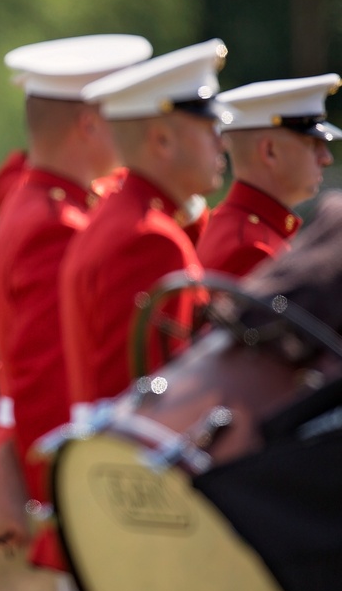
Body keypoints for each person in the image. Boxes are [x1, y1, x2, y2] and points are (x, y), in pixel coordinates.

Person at [0, 35, 152, 577]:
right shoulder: (57, 225)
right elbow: (50, 384)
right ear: (90, 126)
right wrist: (64, 506)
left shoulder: (49, 206)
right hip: (71, 502)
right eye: (127, 115)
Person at [60, 39, 231, 423]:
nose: (222, 142)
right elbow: (155, 399)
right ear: (162, 141)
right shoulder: (149, 238)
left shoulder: (125, 217)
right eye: (208, 128)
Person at [196, 73, 339, 277]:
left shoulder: (246, 229)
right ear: (270, 151)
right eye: (313, 143)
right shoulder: (252, 250)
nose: (326, 158)